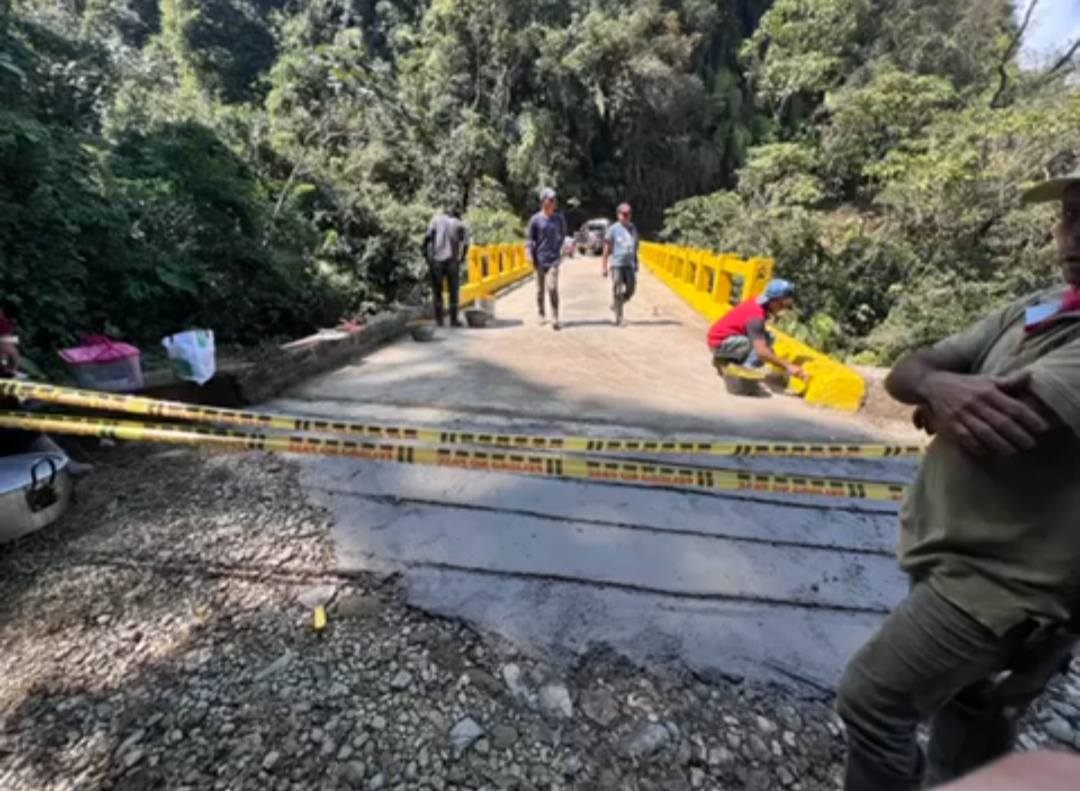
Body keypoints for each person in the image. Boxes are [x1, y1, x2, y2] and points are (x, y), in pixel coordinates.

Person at [835, 171, 1080, 791]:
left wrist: (938, 397)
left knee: (873, 700)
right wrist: (937, 387)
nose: (1073, 236)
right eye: (1070, 216)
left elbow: (996, 419)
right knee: (972, 714)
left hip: (1005, 588)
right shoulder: (1041, 307)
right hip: (953, 556)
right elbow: (908, 370)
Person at [706, 279, 807, 380]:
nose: (783, 309)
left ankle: (724, 359)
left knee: (768, 337)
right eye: (782, 305)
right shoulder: (756, 317)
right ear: (775, 301)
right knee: (759, 345)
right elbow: (762, 352)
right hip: (719, 343)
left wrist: (776, 360)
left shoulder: (757, 303)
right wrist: (788, 366)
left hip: (722, 340)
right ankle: (745, 370)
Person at [525, 187, 568, 330]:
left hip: (554, 259)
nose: (553, 202)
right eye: (550, 199)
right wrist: (529, 253)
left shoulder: (559, 218)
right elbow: (530, 239)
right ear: (543, 201)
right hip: (539, 259)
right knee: (539, 290)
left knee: (552, 287)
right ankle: (541, 313)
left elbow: (563, 235)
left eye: (554, 200)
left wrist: (562, 248)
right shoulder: (535, 220)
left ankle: (555, 316)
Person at [422, 206, 469, 327]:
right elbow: (466, 243)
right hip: (453, 261)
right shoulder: (460, 224)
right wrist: (462, 258)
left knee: (437, 292)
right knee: (453, 292)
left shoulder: (435, 220)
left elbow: (428, 237)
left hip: (437, 261)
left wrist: (426, 254)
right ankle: (453, 320)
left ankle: (439, 321)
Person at [601, 202, 639, 326]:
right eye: (624, 214)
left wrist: (636, 262)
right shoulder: (613, 229)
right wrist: (604, 267)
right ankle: (619, 318)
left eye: (628, 214)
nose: (626, 217)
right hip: (617, 264)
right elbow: (606, 249)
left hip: (629, 265)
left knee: (631, 289)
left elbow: (635, 247)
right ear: (618, 215)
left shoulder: (633, 229)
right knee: (617, 290)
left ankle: (616, 304)